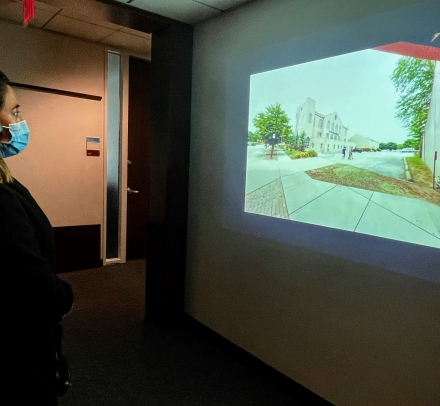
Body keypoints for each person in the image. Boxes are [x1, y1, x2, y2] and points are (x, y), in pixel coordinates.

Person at [1, 71, 74, 405]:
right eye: (15, 112)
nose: (21, 121)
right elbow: (29, 280)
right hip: (18, 351)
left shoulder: (6, 182)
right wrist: (64, 297)